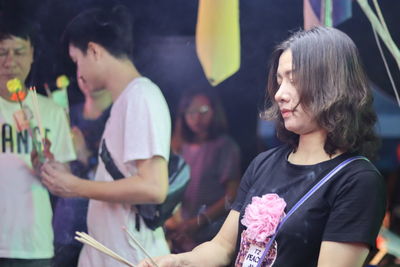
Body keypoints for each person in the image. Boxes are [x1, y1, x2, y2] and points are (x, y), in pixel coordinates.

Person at [137, 26, 386, 267]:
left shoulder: (356, 180)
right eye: (279, 81)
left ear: (332, 86)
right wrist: (177, 261)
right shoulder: (264, 163)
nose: (279, 94)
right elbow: (222, 247)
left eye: (294, 80)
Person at [40, 5, 171, 267]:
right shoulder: (125, 102)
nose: (78, 73)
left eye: (77, 61)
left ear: (94, 51)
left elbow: (154, 187)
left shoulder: (141, 96)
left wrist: (75, 186)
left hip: (130, 258)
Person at [0, 15, 76, 267]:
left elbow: (65, 180)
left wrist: (48, 165)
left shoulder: (51, 111)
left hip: (34, 243)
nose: (10, 62)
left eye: (19, 52)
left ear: (32, 54)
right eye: (2, 52)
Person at [166, 90, 241, 252]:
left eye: (204, 111)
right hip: (180, 233)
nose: (197, 118)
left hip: (212, 232)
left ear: (215, 112)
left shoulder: (225, 146)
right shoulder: (178, 147)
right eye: (191, 112)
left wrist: (199, 221)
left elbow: (232, 195)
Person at [51, 74, 112, 267]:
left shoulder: (117, 115)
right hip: (65, 223)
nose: (82, 74)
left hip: (104, 225)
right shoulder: (66, 113)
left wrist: (85, 156)